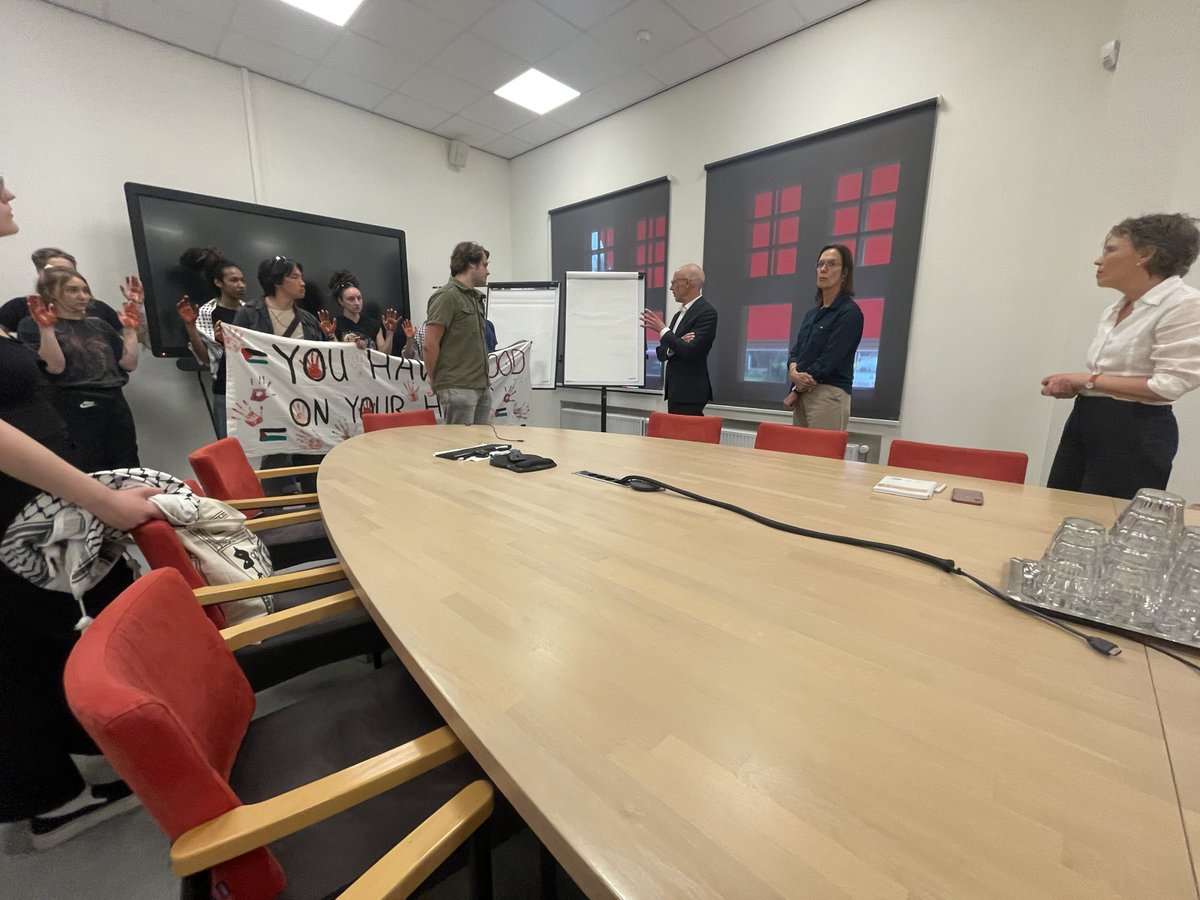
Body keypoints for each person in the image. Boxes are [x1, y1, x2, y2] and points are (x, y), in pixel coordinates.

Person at [0, 172, 162, 847]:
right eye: (0, 190)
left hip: (37, 510)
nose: (11, 200)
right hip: (19, 521)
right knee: (32, 646)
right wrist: (103, 502)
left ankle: (75, 771)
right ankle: (50, 800)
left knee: (49, 642)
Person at [1042, 213, 1200, 499]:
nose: (1098, 260)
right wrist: (1078, 384)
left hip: (1135, 430)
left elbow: (1169, 385)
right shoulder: (1118, 308)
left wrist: (1089, 380)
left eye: (1110, 249)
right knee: (1060, 511)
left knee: (1104, 524)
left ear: (1146, 254)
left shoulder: (1185, 305)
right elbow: (1112, 378)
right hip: (1087, 418)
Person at [18, 267, 143, 471]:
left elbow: (129, 364)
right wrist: (46, 329)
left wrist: (130, 331)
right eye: (72, 290)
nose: (82, 296)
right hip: (73, 403)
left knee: (127, 464)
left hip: (114, 401)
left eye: (85, 290)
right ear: (51, 292)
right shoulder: (32, 325)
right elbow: (55, 367)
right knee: (88, 467)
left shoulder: (99, 325)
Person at [234, 257, 329, 492]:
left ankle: (313, 503)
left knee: (311, 451)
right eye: (295, 277)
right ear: (277, 281)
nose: (302, 282)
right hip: (268, 398)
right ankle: (273, 507)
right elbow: (238, 355)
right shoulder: (250, 314)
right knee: (276, 453)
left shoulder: (308, 319)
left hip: (305, 397)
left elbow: (326, 356)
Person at [783, 244, 865, 431]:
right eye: (820, 265)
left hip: (828, 394)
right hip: (803, 393)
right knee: (798, 458)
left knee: (822, 458)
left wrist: (797, 388)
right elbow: (797, 351)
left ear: (844, 273)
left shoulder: (850, 313)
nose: (823, 270)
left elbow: (829, 359)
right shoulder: (812, 314)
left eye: (831, 264)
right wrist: (793, 372)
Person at [176, 253, 245, 438]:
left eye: (242, 280)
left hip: (255, 387)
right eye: (234, 280)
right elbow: (207, 358)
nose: (241, 285)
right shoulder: (207, 313)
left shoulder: (251, 312)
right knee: (230, 449)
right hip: (226, 389)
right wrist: (191, 327)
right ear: (219, 283)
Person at [425, 242, 494, 424]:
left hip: (481, 386)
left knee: (484, 447)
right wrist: (435, 381)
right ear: (472, 264)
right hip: (458, 387)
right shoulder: (446, 296)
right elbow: (430, 343)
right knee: (461, 447)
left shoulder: (474, 298)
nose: (488, 271)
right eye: (485, 265)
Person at [640, 263, 718, 415]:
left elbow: (691, 351)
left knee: (686, 437)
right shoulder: (679, 315)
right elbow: (662, 353)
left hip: (691, 392)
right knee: (673, 435)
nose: (671, 288)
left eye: (674, 283)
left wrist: (662, 329)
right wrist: (675, 344)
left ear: (687, 283)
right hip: (675, 390)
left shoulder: (707, 313)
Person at [0, 246, 122, 333]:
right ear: (40, 273)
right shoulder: (19, 306)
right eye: (55, 271)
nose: (63, 276)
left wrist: (136, 311)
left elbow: (135, 338)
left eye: (69, 271)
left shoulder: (97, 307)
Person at [321, 268, 403, 353]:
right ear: (341, 301)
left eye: (359, 298)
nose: (357, 303)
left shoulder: (374, 324)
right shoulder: (334, 325)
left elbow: (384, 355)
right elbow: (336, 354)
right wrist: (330, 335)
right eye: (351, 299)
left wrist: (390, 332)